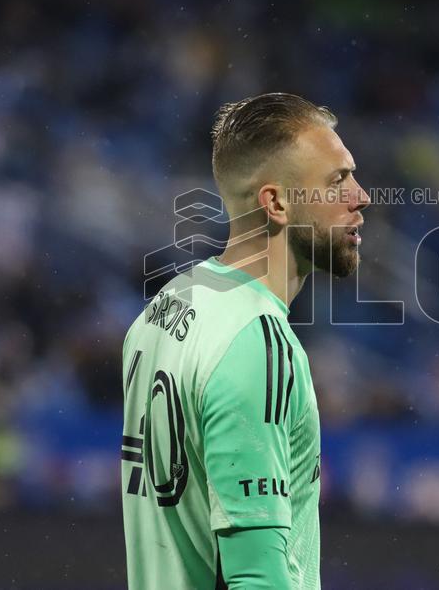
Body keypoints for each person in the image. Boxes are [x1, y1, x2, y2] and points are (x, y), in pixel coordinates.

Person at [121, 93, 370, 589]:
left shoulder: (165, 308)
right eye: (337, 181)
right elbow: (257, 577)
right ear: (276, 203)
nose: (360, 196)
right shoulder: (256, 342)